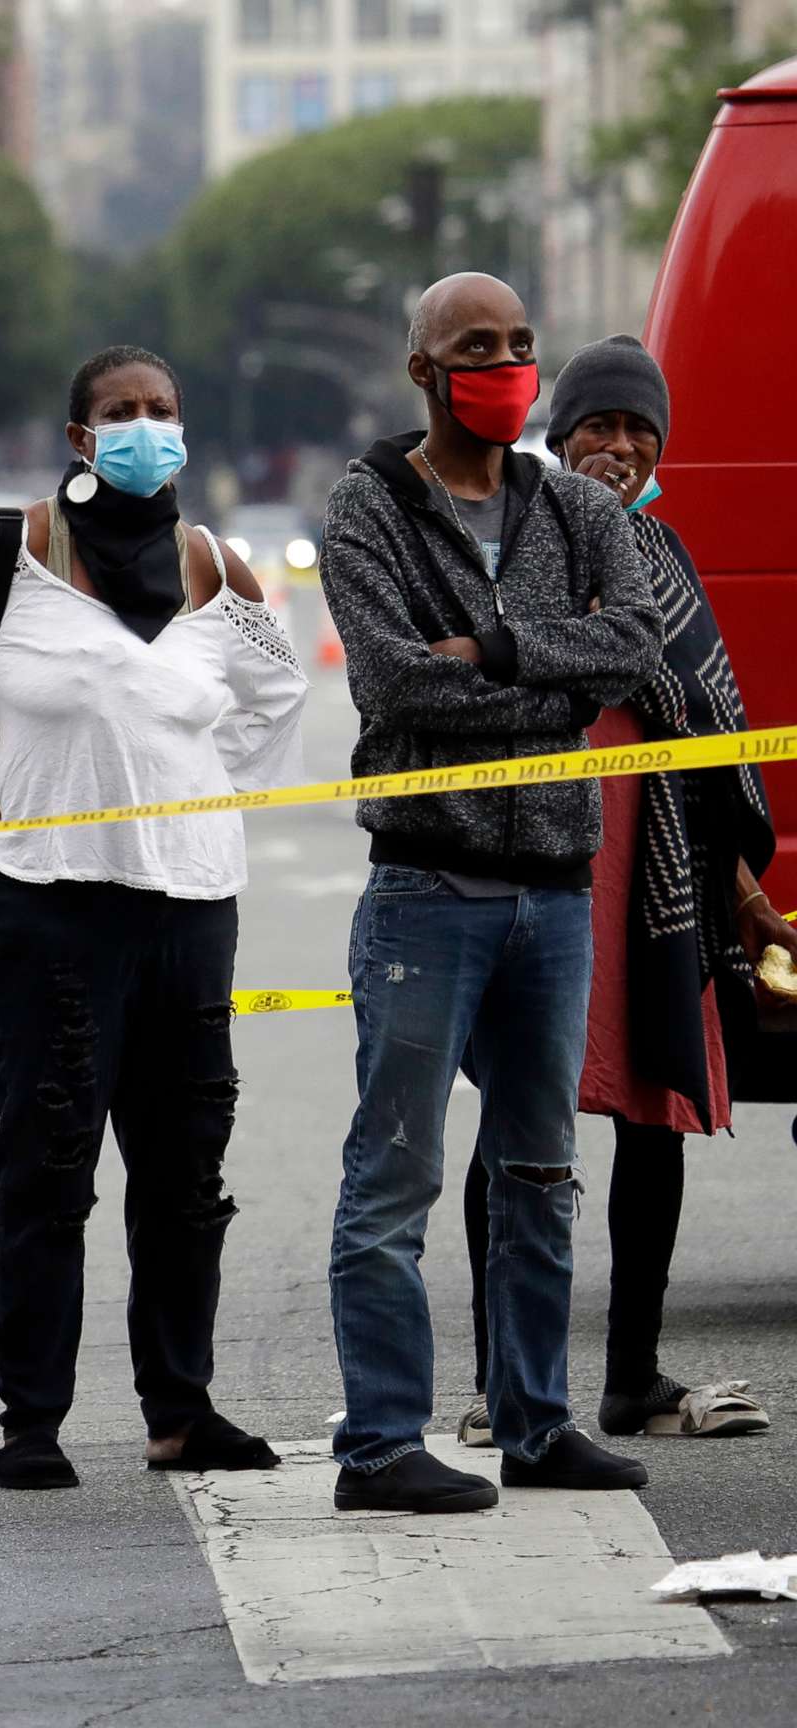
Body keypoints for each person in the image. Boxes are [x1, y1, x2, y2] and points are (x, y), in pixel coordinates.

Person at [0, 343, 309, 1491]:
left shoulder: (216, 569)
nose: (147, 428)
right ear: (81, 439)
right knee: (47, 1169)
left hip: (190, 908)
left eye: (164, 410)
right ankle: (30, 1421)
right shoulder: (12, 548)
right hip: (46, 907)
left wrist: (189, 786)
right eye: (122, 412)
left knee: (187, 1176)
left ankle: (181, 1411)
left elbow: (276, 697)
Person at [318, 274, 663, 1514]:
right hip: (429, 890)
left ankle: (536, 1422)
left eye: (521, 345)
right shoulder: (367, 509)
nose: (509, 364)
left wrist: (508, 652)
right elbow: (398, 688)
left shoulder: (575, 507)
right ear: (423, 369)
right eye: (478, 347)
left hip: (555, 894)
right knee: (395, 1175)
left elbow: (634, 642)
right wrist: (553, 685)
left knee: (537, 1169)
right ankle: (382, 1446)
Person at [453, 335, 786, 1448]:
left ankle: (631, 1379)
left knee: (658, 1122)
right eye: (599, 425)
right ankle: (504, 1382)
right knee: (516, 1127)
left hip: (665, 880)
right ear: (561, 433)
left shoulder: (667, 555)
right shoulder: (523, 544)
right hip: (547, 873)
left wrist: (745, 896)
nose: (621, 445)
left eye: (641, 431)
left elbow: (707, 734)